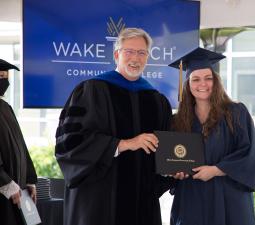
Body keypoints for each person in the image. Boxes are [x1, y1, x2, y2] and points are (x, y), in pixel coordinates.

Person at [55, 28, 173, 225]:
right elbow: (69, 144)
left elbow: (164, 153)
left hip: (141, 202)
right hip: (99, 201)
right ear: (117, 54)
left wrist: (173, 169)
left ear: (148, 57)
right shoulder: (90, 91)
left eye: (141, 52)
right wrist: (123, 144)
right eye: (129, 51)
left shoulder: (157, 100)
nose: (135, 58)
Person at [168, 47, 255, 225]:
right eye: (195, 79)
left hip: (228, 197)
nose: (202, 84)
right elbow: (175, 158)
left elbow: (249, 153)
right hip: (192, 196)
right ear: (187, 84)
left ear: (216, 81)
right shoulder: (178, 121)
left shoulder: (236, 113)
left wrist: (215, 170)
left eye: (208, 78)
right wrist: (176, 172)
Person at [0, 59, 38, 225]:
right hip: (4, 190)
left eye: (6, 77)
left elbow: (21, 145)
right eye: (0, 76)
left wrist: (29, 180)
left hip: (19, 190)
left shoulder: (6, 107)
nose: (4, 82)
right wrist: (5, 182)